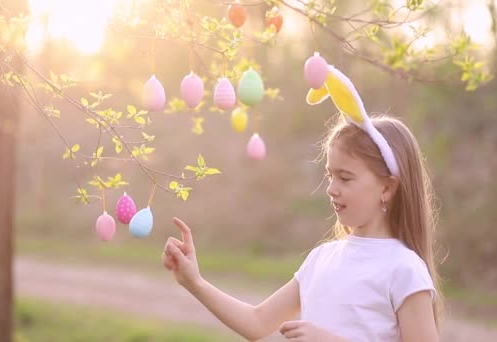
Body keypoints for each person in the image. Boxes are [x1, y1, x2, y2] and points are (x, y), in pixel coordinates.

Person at [161, 66, 443, 342]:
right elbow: (257, 323)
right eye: (330, 175)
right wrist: (193, 282)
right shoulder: (322, 259)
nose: (332, 189)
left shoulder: (404, 269)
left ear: (387, 187)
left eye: (345, 178)